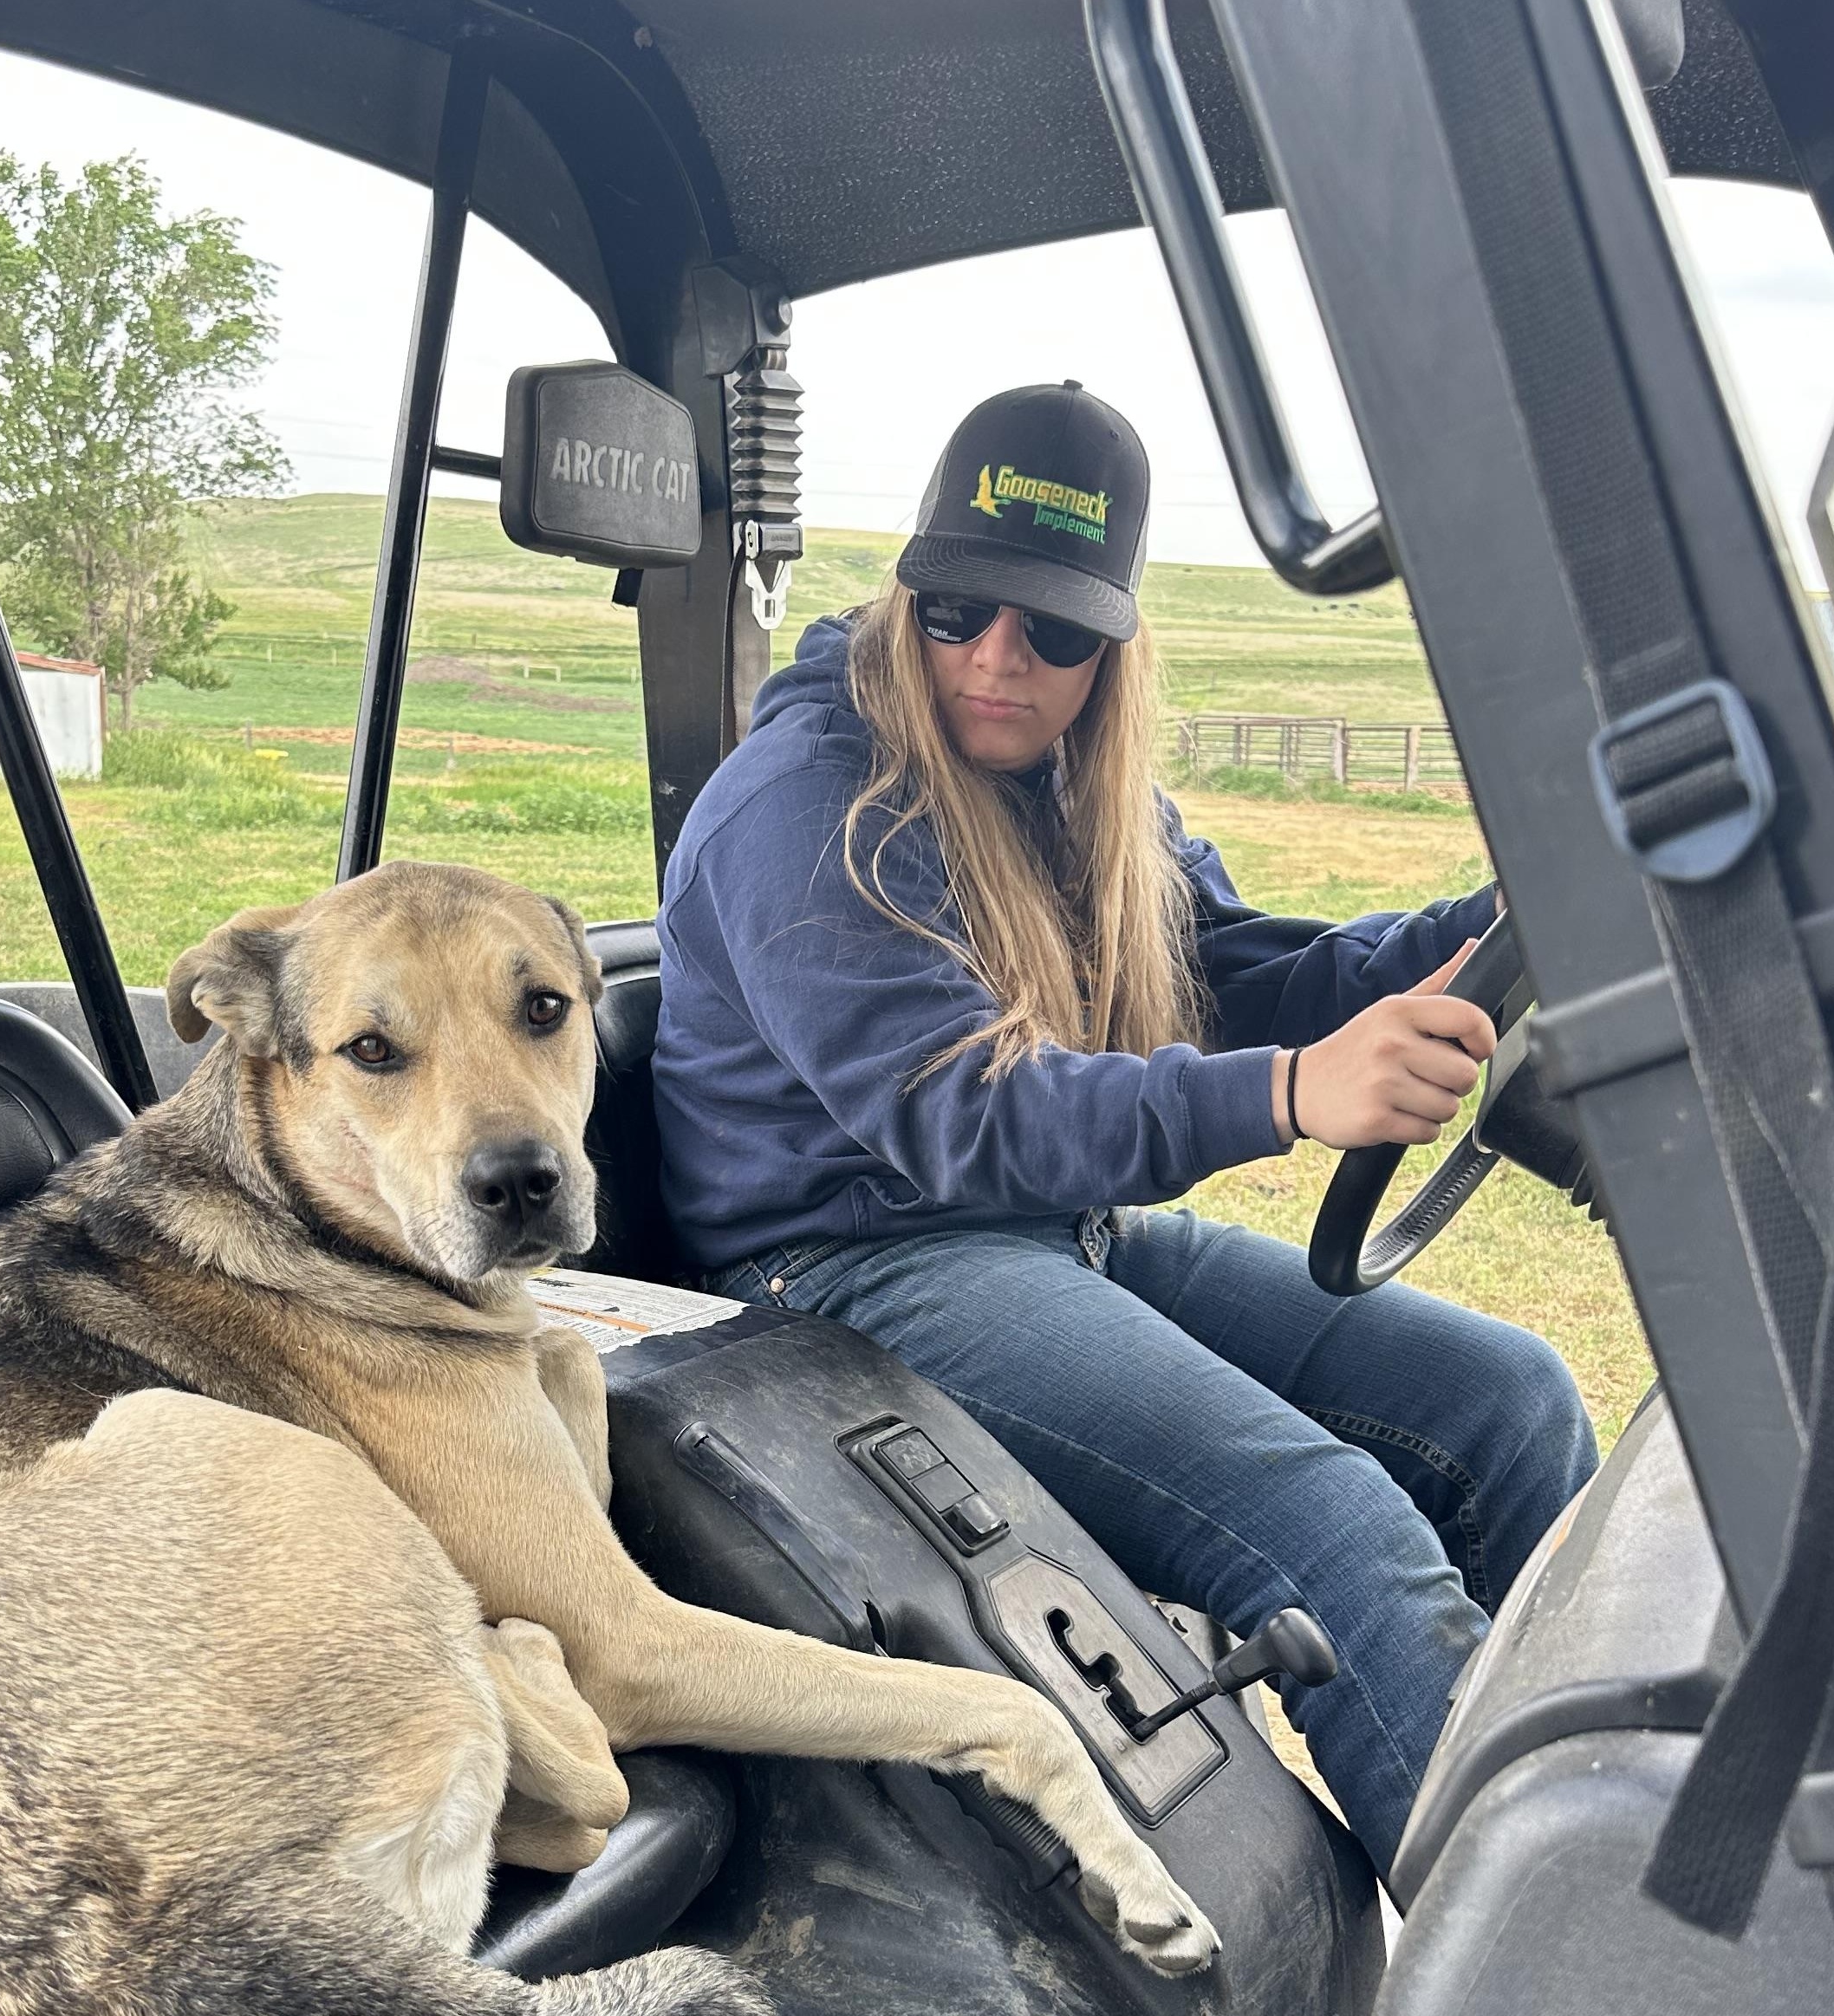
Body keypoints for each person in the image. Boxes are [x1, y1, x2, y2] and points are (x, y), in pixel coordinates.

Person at [652, 382, 1597, 1876]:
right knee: (1336, 1533)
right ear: (908, 593)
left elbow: (1237, 974)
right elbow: (964, 1113)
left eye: (1053, 631)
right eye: (958, 610)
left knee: (1510, 1401)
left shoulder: (1075, 790)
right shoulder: (805, 805)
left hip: (1054, 1231)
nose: (998, 658)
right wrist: (1289, 1093)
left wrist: (1502, 917)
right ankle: (1547, 1974)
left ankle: (1612, 1834)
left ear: (1111, 647)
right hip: (852, 1264)